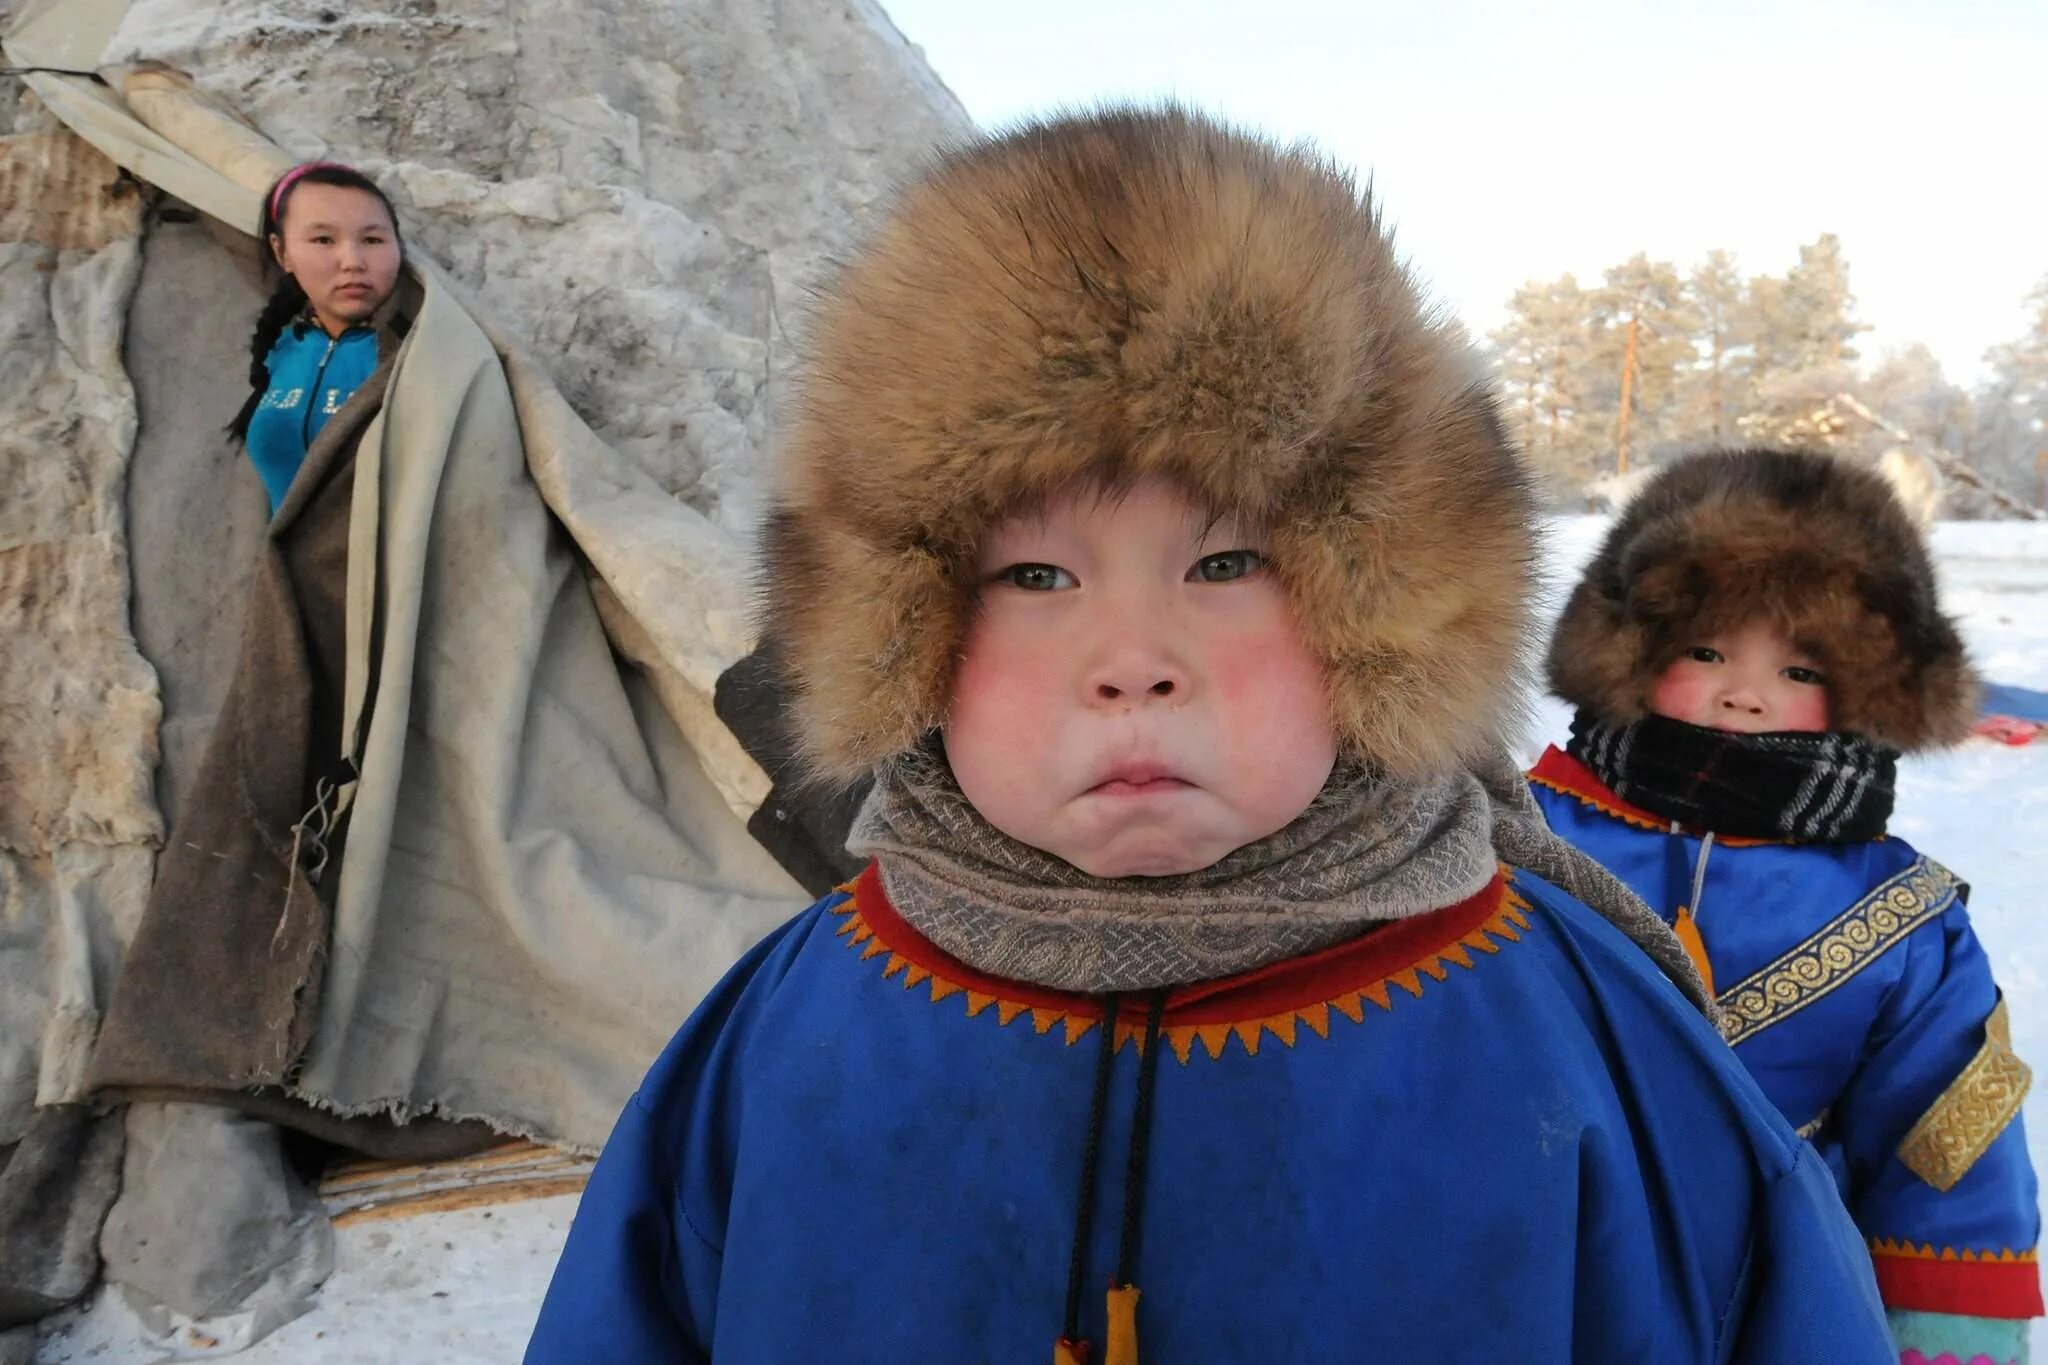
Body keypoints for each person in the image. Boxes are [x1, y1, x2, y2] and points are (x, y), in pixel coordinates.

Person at [526, 108, 1894, 1363]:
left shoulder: (1582, 1029)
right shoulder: (790, 1033)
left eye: (1227, 565)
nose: (1132, 663)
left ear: (1385, 614)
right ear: (907, 632)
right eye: (1037, 578)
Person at [1532, 448, 2043, 1362]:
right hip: (1531, 1260)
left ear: (1868, 691)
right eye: (1705, 651)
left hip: (1778, 1292)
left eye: (1801, 671)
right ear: (1630, 653)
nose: (1745, 692)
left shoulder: (1902, 917)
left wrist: (1949, 1316)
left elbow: (1946, 1123)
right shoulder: (1520, 838)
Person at [228, 161, 403, 513]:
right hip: (286, 567)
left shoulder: (415, 353)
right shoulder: (283, 348)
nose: (352, 261)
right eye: (323, 239)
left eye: (372, 239)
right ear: (282, 253)